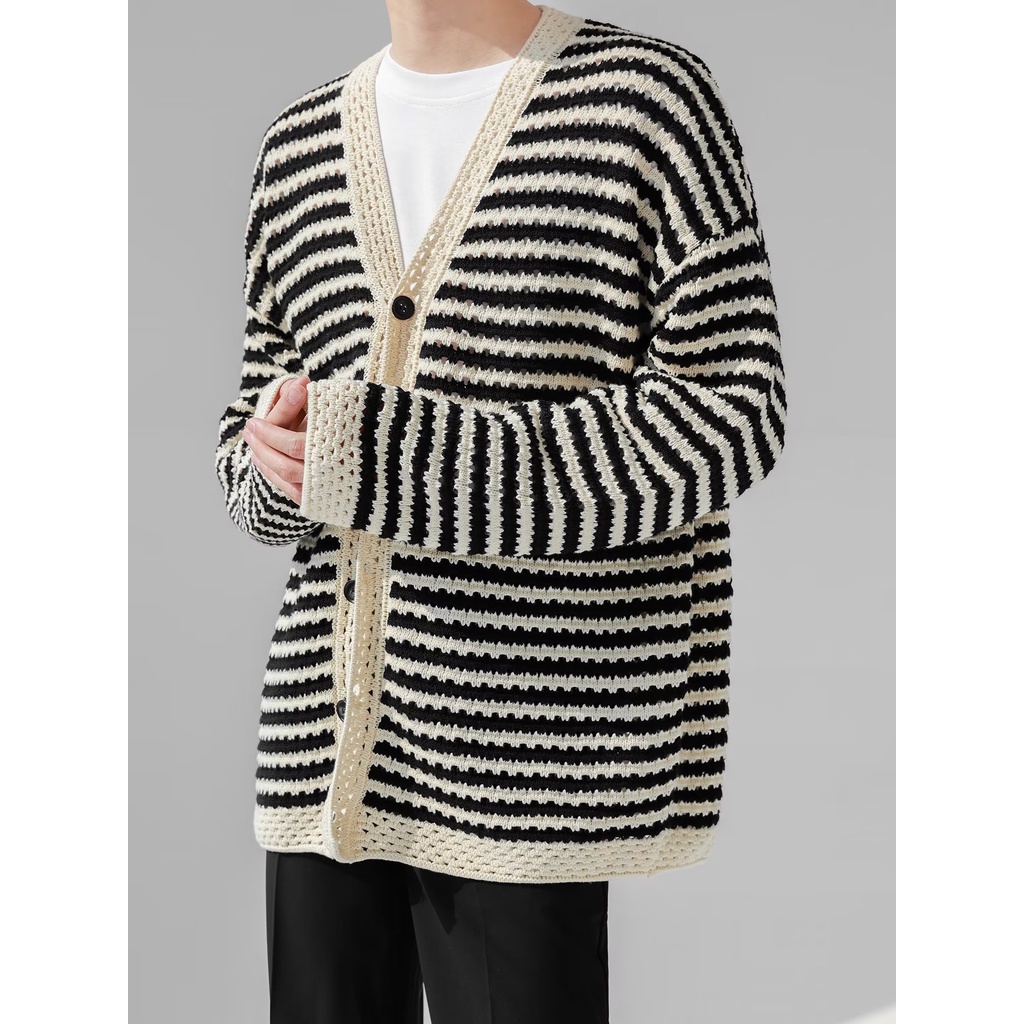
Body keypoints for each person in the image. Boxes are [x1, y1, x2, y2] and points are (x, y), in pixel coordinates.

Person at [214, 1, 787, 1021]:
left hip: (527, 752)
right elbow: (252, 441)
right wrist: (275, 464)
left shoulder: (642, 102)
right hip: (324, 749)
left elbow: (728, 411)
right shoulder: (296, 147)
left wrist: (385, 455)